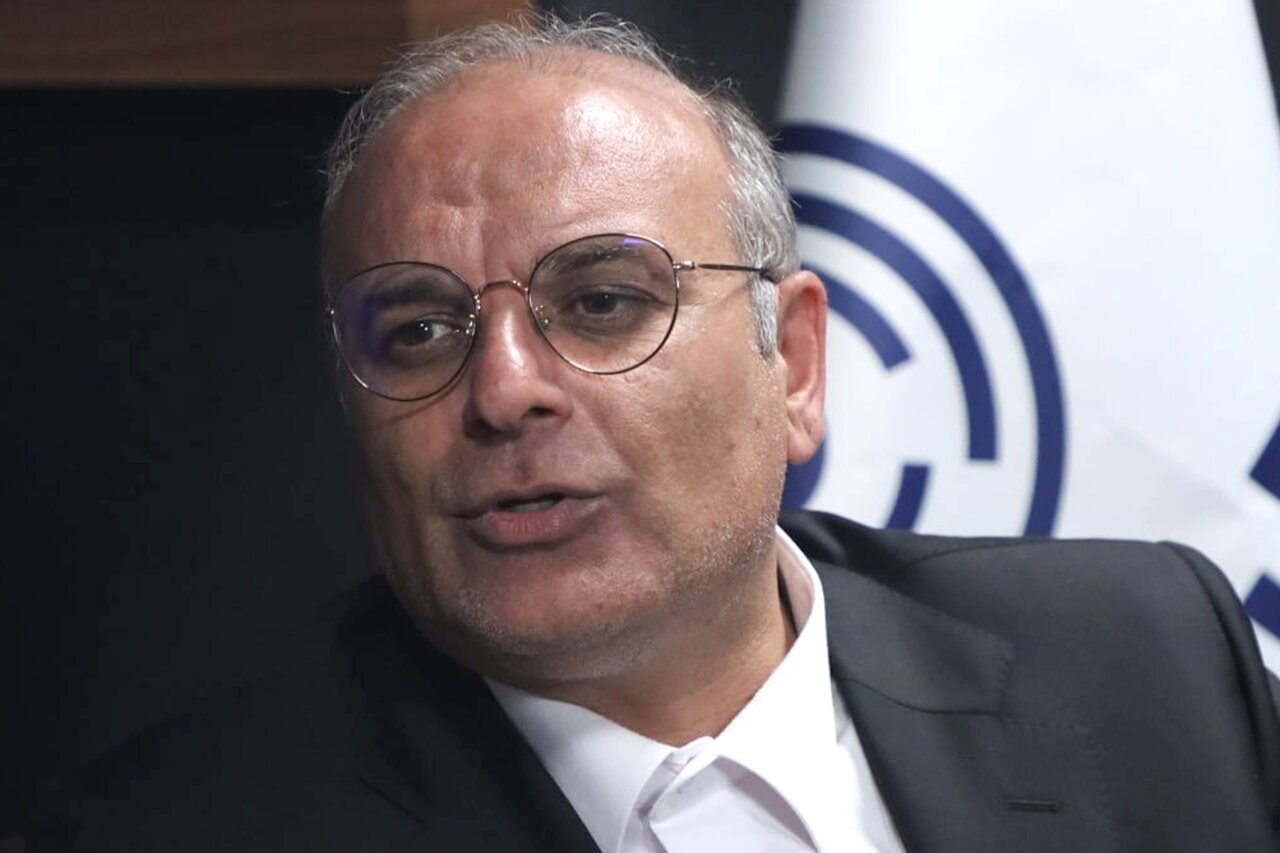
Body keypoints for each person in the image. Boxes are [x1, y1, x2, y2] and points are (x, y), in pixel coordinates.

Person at [30, 15, 1280, 853]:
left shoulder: (1149, 658)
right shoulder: (183, 825)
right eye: (417, 329)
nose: (503, 390)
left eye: (601, 302)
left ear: (793, 365)